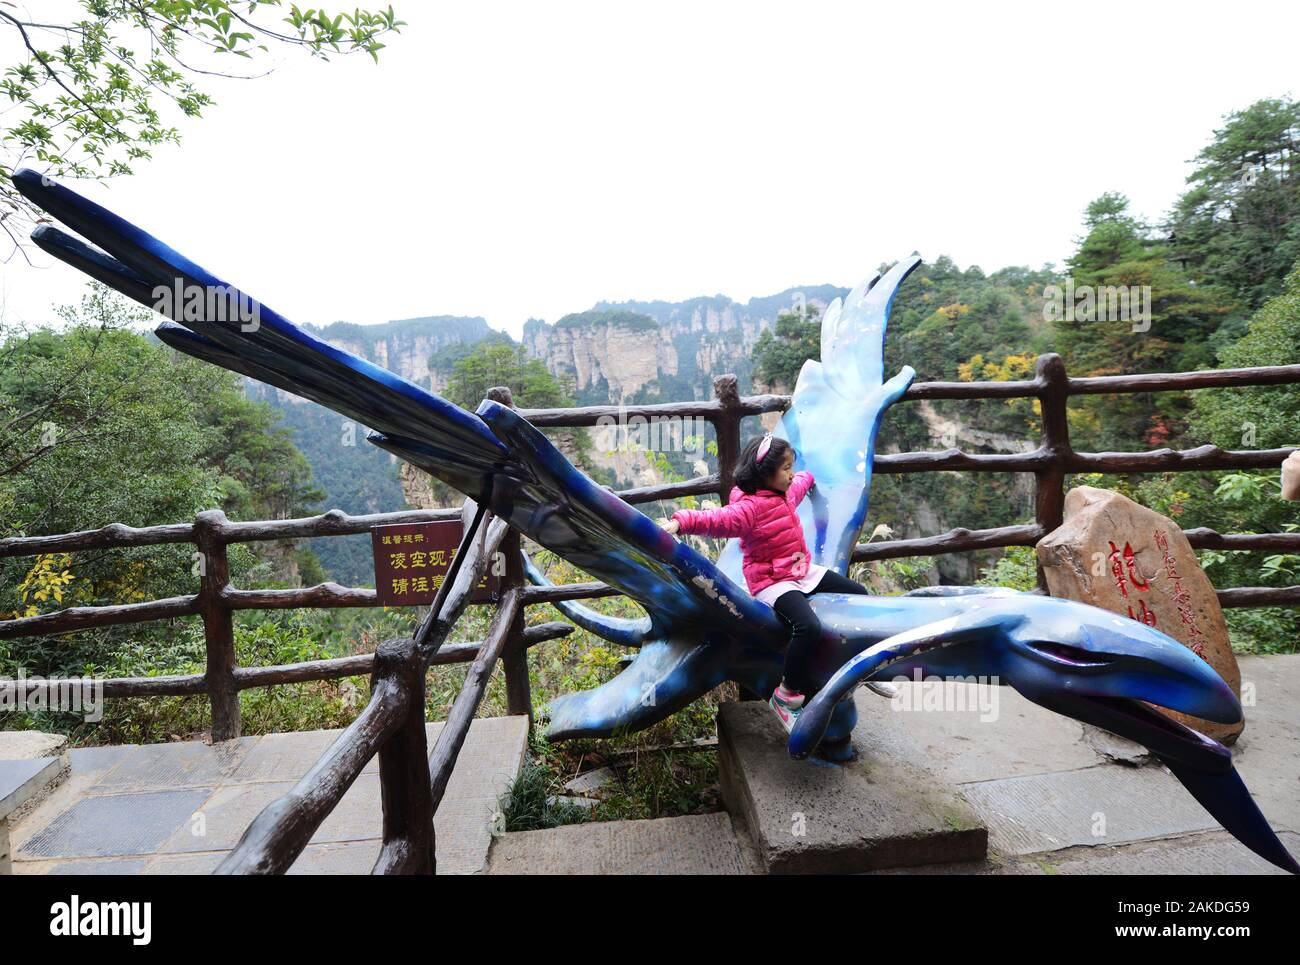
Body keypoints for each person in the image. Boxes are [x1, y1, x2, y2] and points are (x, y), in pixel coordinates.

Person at [659, 432, 870, 733]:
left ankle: (857, 671)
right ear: (764, 473)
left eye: (791, 466)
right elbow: (716, 520)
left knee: (858, 595)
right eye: (785, 467)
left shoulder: (785, 492)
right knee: (807, 627)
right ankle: (787, 696)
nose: (791, 473)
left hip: (801, 570)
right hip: (773, 581)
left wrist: (810, 477)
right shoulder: (748, 511)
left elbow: (801, 482)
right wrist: (679, 522)